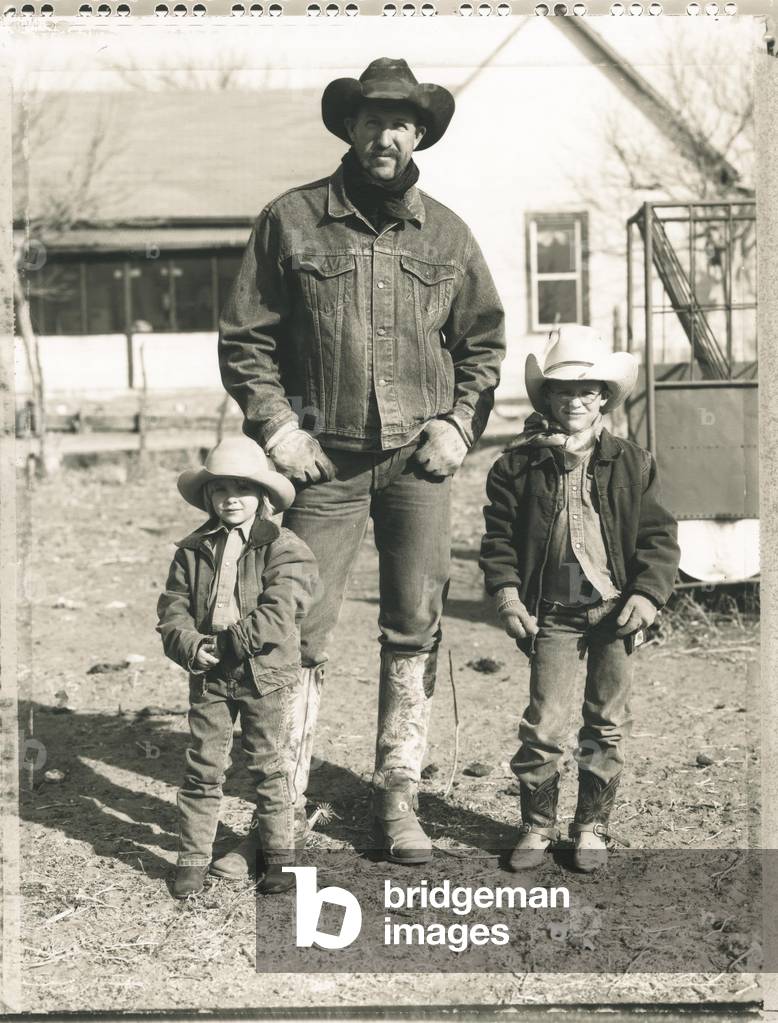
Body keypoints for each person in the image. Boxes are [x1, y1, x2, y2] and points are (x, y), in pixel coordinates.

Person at [217, 57, 505, 868]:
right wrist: (278, 431)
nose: (386, 134)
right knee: (297, 632)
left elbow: (482, 344)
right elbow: (246, 340)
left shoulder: (447, 234)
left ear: (420, 135)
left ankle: (398, 796)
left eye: (402, 122)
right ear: (349, 127)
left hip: (421, 464)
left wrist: (460, 423)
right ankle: (279, 808)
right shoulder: (292, 220)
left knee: (414, 626)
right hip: (323, 467)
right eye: (373, 119)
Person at [479, 326, 680, 873]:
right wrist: (507, 596)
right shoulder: (517, 468)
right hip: (553, 614)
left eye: (588, 389)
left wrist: (648, 594)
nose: (576, 399)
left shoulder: (632, 462)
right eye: (564, 390)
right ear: (547, 398)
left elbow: (659, 538)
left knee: (606, 722)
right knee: (544, 723)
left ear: (603, 398)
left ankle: (591, 825)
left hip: (615, 612)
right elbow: (497, 540)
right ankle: (536, 825)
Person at [157, 436, 318, 898]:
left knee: (269, 767)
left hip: (263, 675)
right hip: (209, 672)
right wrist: (189, 644)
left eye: (243, 489)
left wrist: (229, 643)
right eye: (220, 489)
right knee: (203, 766)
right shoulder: (192, 549)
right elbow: (173, 609)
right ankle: (192, 858)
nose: (231, 499)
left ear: (263, 496)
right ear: (207, 495)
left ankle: (280, 859)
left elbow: (280, 611)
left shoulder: (286, 548)